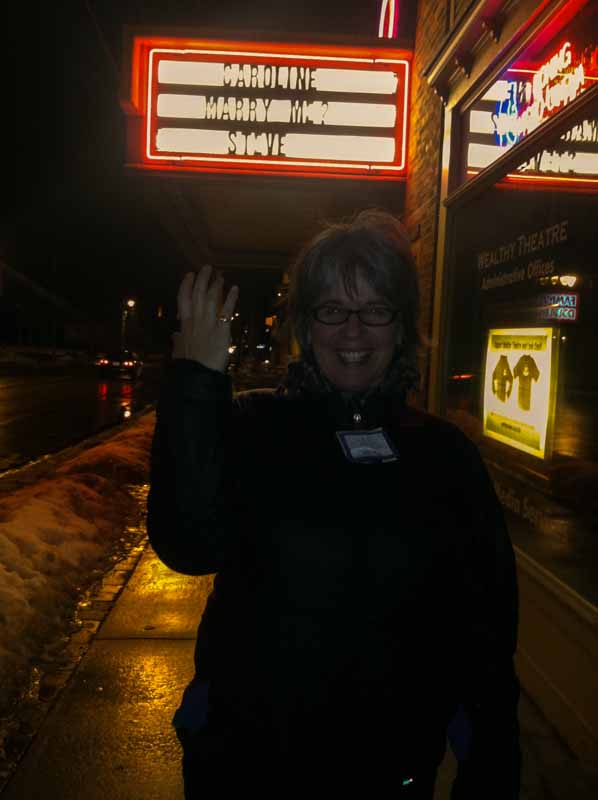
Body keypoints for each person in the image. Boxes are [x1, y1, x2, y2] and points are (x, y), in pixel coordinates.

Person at [147, 209, 521, 799]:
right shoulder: (253, 427)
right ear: (305, 324)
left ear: (401, 327)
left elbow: (485, 629)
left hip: (391, 769)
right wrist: (197, 381)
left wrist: (492, 760)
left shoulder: (445, 457)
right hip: (247, 768)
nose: (353, 331)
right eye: (332, 310)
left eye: (375, 310)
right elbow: (188, 544)